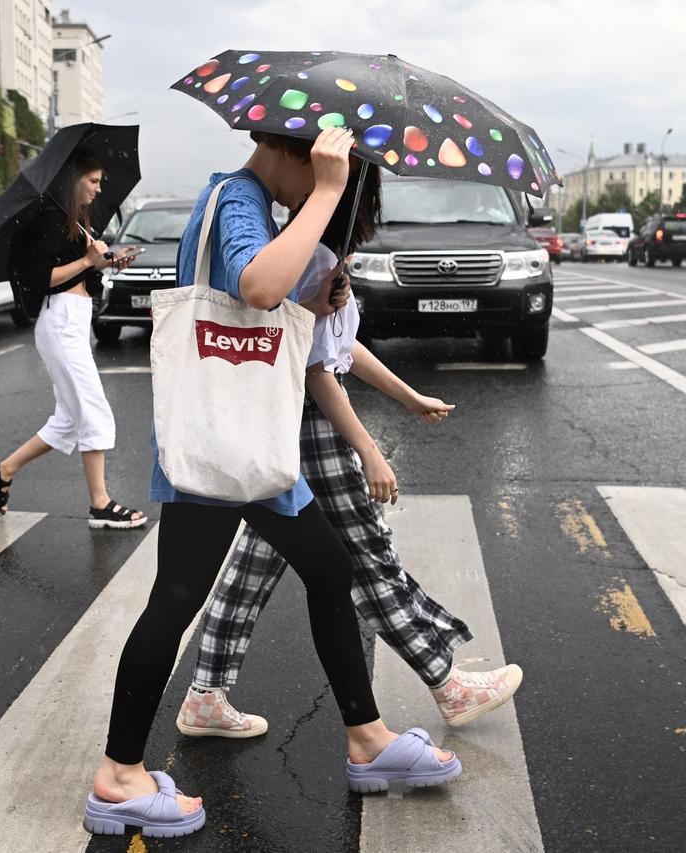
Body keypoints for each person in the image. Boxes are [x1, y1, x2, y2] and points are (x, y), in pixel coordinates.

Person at [83, 130, 460, 839]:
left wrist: (318, 295)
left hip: (247, 440)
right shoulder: (239, 196)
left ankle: (367, 738)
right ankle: (120, 776)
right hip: (224, 441)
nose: (325, 185)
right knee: (178, 595)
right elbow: (256, 285)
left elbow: (261, 301)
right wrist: (322, 194)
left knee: (327, 566)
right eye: (317, 168)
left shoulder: (250, 200)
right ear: (282, 149)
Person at [176, 162, 523, 742]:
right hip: (310, 426)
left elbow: (342, 348)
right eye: (370, 196)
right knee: (367, 555)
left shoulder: (320, 259)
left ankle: (206, 693)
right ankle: (447, 683)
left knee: (255, 566)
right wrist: (369, 449)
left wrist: (408, 396)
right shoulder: (307, 257)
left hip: (289, 423)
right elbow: (314, 369)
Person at [0, 152, 146, 529]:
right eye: (93, 180)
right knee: (94, 410)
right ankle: (99, 504)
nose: (99, 188)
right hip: (60, 321)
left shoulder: (74, 220)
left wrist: (108, 262)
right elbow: (42, 278)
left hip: (73, 321)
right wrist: (89, 262)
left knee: (69, 420)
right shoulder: (51, 217)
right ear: (73, 181)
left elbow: (82, 268)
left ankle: (2, 471)